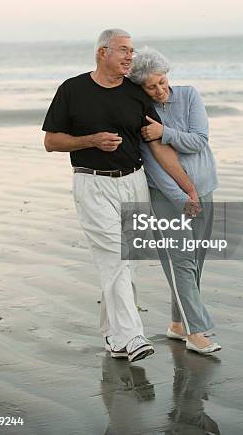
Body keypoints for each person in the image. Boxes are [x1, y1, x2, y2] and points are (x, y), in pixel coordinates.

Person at [42, 29, 200, 362]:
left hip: (134, 182)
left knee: (127, 263)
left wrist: (187, 187)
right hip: (92, 183)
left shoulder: (134, 94)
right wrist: (91, 140)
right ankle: (133, 336)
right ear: (103, 52)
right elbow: (52, 141)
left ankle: (113, 337)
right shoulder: (72, 90)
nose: (131, 57)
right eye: (124, 51)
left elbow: (157, 146)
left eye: (131, 51)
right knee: (115, 256)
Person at [129, 47, 221, 355]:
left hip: (204, 188)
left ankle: (177, 324)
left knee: (195, 263)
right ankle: (196, 331)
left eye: (162, 81)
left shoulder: (189, 95)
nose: (159, 90)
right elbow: (153, 163)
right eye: (151, 86)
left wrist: (164, 132)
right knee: (180, 261)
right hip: (167, 197)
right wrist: (182, 197)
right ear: (141, 87)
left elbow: (200, 140)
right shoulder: (140, 113)